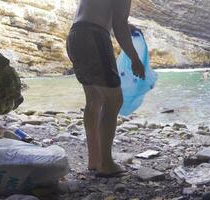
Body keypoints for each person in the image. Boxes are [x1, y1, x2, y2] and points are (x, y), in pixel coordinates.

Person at [66, 0, 145, 177]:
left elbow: (93, 12)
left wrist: (126, 24)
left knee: (94, 100)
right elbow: (119, 24)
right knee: (114, 100)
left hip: (75, 35)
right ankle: (106, 163)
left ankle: (94, 160)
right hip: (94, 37)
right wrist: (134, 58)